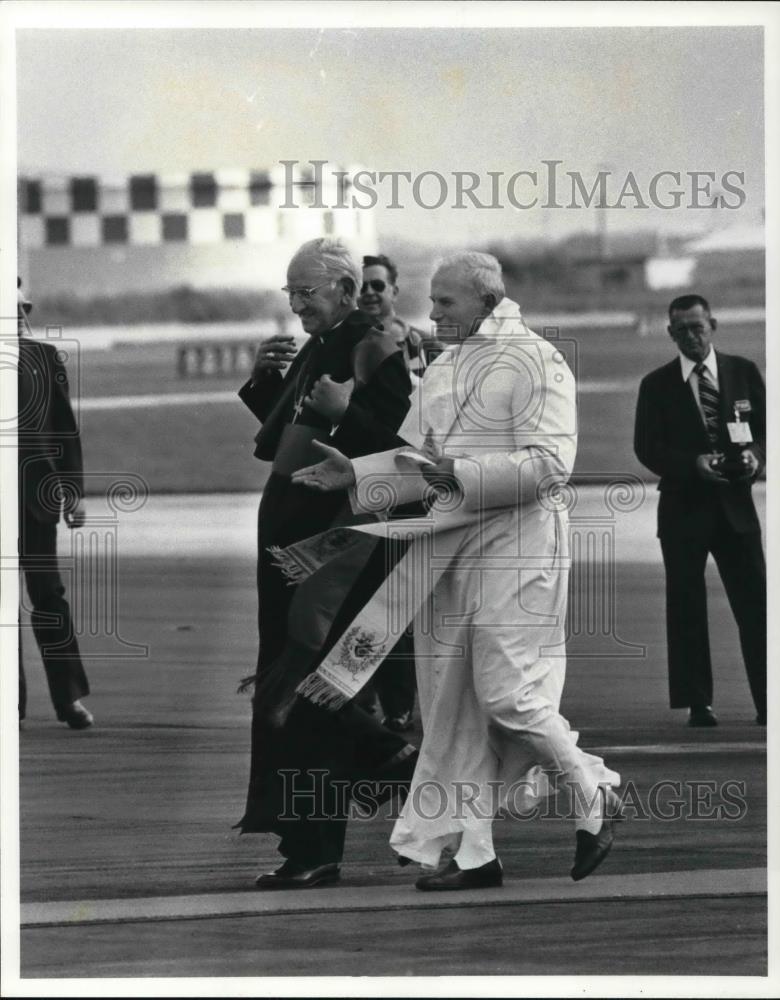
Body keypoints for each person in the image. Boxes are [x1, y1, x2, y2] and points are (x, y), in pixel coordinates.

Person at [291, 252, 621, 890]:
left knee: (508, 694)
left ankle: (592, 791)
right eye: (433, 301)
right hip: (449, 549)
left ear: (486, 300)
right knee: (451, 707)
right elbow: (416, 460)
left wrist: (460, 475)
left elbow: (552, 464)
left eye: (445, 302)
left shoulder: (535, 360)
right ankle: (473, 853)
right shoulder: (445, 366)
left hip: (521, 547)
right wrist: (356, 472)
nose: (433, 313)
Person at [236, 237, 418, 889]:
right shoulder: (323, 344)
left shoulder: (375, 346)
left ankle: (383, 774)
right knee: (294, 693)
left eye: (305, 293)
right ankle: (312, 841)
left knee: (309, 692)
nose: (296, 306)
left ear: (344, 290)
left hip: (330, 549)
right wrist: (265, 383)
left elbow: (406, 451)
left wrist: (352, 413)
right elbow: (292, 442)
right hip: (291, 548)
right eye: (290, 294)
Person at [634, 294, 766, 728]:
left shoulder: (743, 372)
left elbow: (767, 432)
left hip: (736, 510)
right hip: (683, 511)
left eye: (698, 326)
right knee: (687, 606)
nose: (692, 336)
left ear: (713, 324)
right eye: (682, 330)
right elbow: (647, 447)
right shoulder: (656, 385)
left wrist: (755, 460)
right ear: (671, 333)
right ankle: (698, 703)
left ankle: (769, 699)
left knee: (757, 606)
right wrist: (691, 464)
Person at [17, 278, 93, 729]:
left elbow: (65, 431)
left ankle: (68, 698)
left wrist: (74, 491)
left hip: (35, 499)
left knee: (49, 598)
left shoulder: (44, 358)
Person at [357, 253, 424, 731]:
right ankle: (364, 699)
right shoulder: (347, 346)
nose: (370, 293)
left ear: (395, 291)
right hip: (362, 488)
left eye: (378, 285)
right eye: (362, 287)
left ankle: (401, 702)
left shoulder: (424, 347)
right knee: (366, 600)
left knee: (406, 600)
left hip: (415, 489)